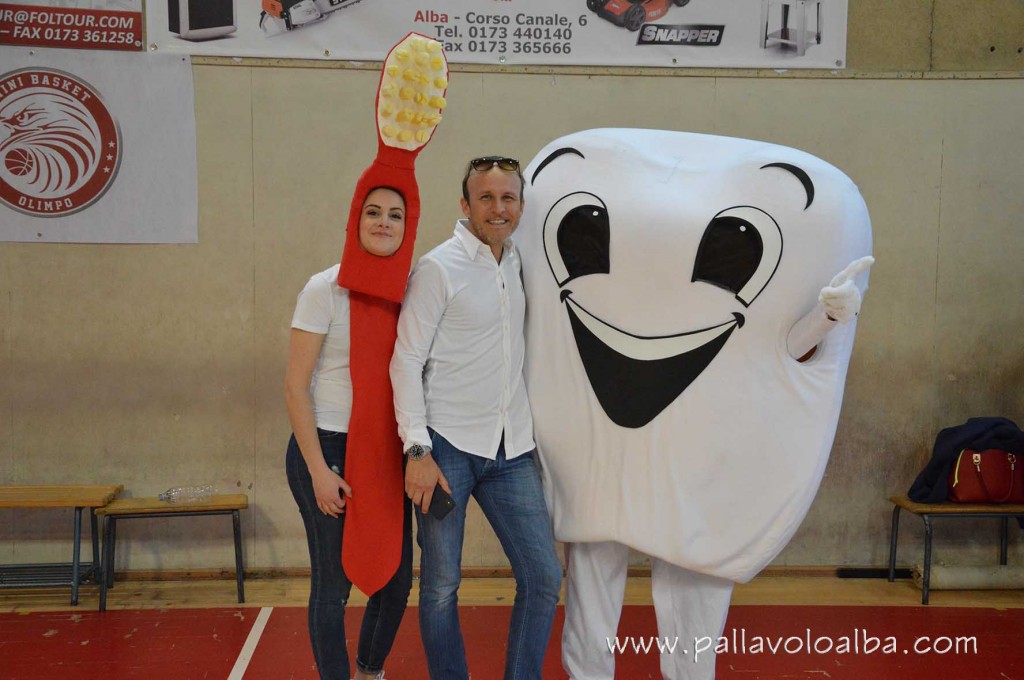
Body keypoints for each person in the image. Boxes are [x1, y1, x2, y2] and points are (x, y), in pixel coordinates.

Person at [390, 156, 563, 679]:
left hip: (513, 452)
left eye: (508, 197)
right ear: (465, 205)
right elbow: (406, 361)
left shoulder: (517, 262)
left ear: (521, 206)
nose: (498, 207)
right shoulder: (438, 269)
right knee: (441, 585)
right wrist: (416, 450)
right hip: (447, 452)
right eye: (486, 197)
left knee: (544, 576)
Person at [285, 186, 413, 680]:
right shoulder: (325, 288)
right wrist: (318, 469)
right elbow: (296, 387)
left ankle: (369, 670)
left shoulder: (410, 289)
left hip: (385, 451)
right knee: (334, 586)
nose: (384, 222)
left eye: (395, 215)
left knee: (396, 581)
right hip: (328, 447)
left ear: (407, 225)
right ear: (355, 221)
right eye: (374, 212)